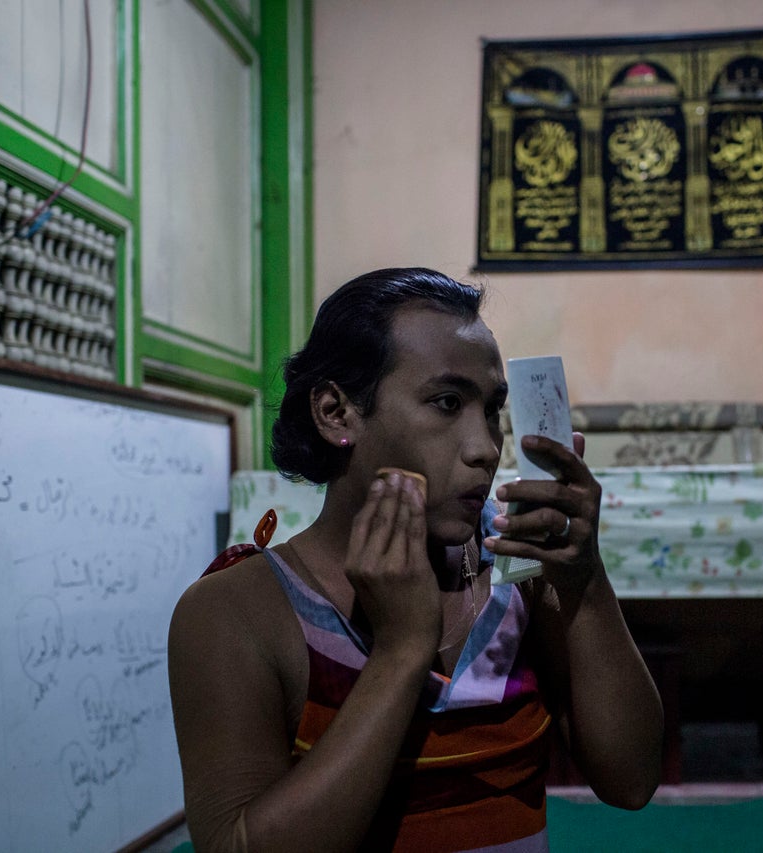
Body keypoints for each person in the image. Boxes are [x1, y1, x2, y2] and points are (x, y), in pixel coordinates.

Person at [168, 267, 663, 852]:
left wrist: (584, 578)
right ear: (335, 412)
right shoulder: (239, 611)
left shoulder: (520, 573)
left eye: (493, 411)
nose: (484, 448)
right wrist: (402, 649)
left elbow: (630, 782)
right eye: (446, 403)